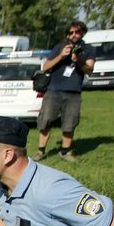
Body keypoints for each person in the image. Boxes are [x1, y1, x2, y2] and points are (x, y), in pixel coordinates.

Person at [34, 21, 95, 162]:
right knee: (45, 120)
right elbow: (45, 67)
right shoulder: (59, 48)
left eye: (78, 32)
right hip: (54, 90)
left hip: (74, 92)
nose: (74, 35)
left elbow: (89, 70)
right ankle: (41, 151)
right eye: (71, 32)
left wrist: (79, 59)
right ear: (67, 34)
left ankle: (65, 152)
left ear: (82, 33)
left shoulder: (89, 49)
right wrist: (61, 56)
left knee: (70, 122)